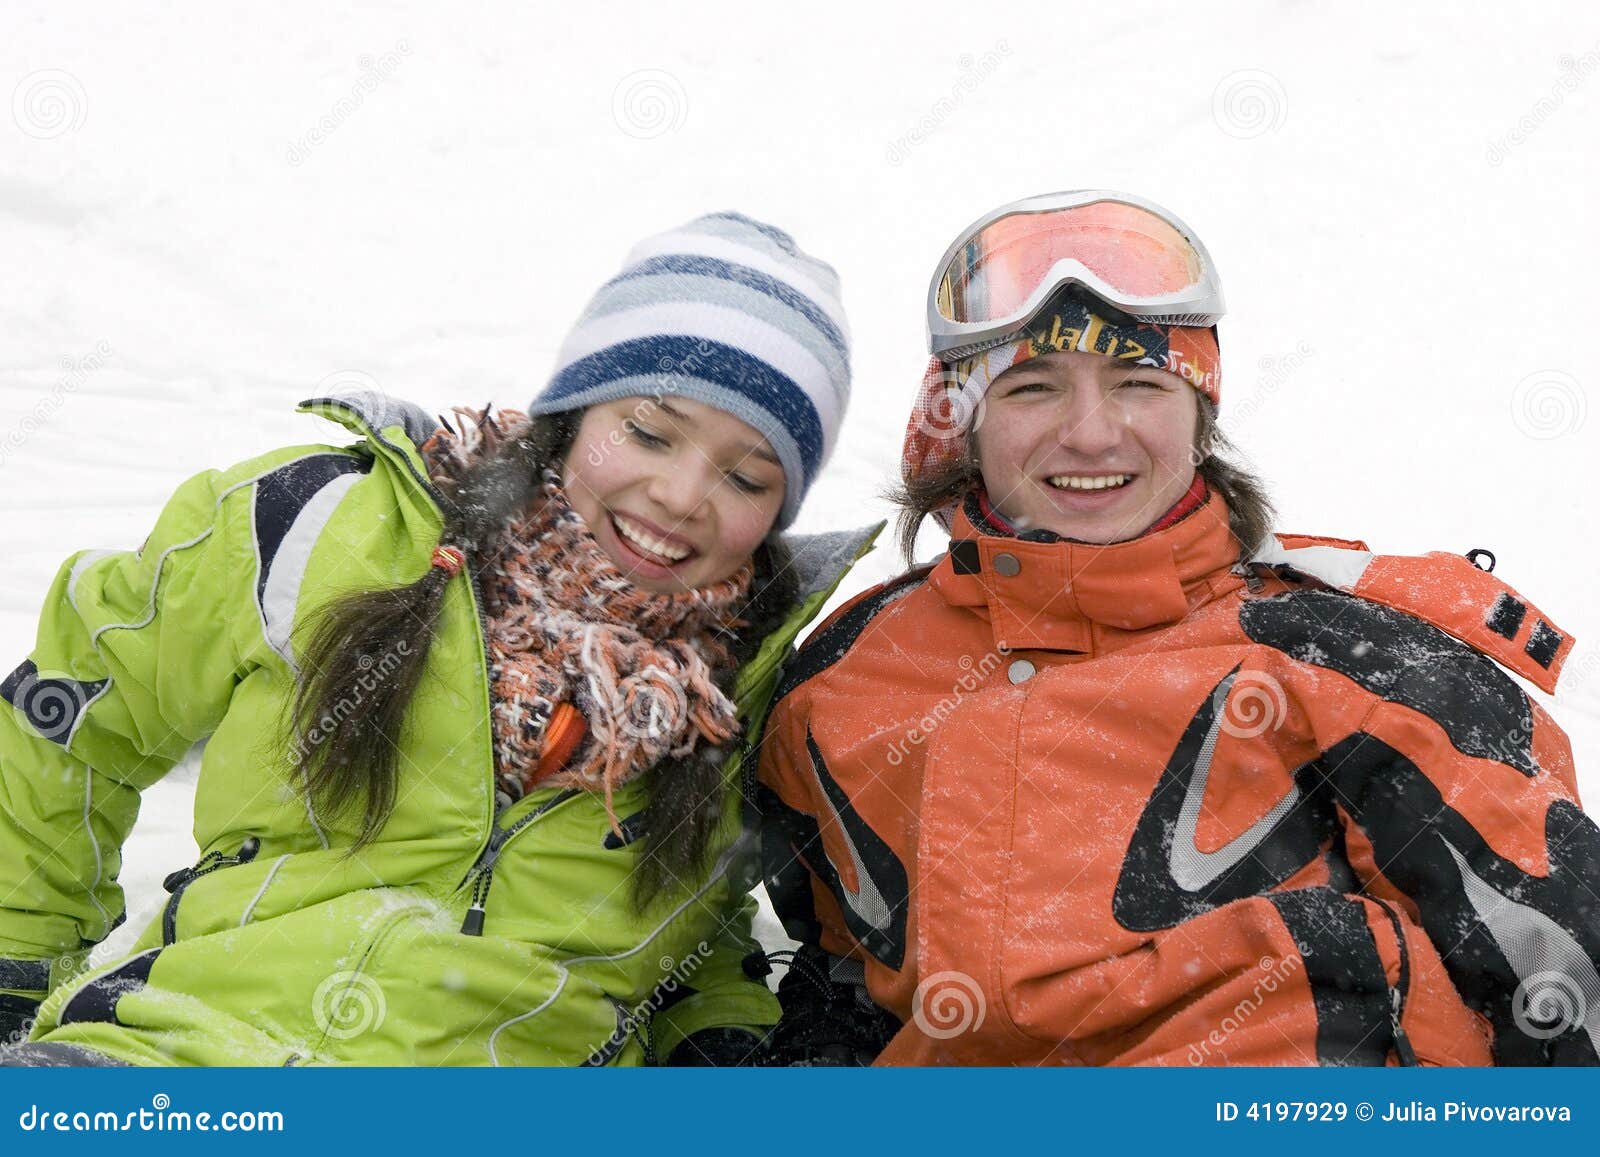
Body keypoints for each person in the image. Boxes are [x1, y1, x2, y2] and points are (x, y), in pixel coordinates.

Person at [0, 211, 878, 1066]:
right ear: (573, 412)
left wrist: (718, 1044)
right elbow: (73, 715)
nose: (684, 494)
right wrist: (13, 965)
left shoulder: (739, 700)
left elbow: (692, 934)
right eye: (648, 431)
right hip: (180, 1061)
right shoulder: (326, 525)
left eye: (746, 475)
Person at [755, 190, 1600, 1066]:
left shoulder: (1353, 661)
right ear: (965, 423)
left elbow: (1560, 983)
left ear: (1201, 416)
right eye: (1033, 388)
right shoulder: (840, 681)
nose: (1090, 434)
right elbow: (836, 970)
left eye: (1140, 385)